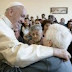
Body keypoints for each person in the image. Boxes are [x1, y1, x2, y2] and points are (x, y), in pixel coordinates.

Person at [0, 2, 71, 72]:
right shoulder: (2, 27)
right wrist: (54, 51)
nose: (23, 21)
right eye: (22, 16)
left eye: (44, 36)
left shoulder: (49, 62)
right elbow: (16, 54)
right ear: (11, 12)